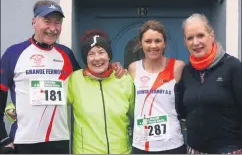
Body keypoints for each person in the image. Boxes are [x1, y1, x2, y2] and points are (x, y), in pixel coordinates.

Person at [0, 0, 125, 154]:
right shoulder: (13, 53)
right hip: (24, 141)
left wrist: (111, 67)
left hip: (59, 141)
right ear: (34, 22)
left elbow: (88, 80)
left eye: (57, 23)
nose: (53, 28)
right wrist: (3, 139)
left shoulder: (66, 54)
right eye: (47, 21)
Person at [175, 13, 242, 154]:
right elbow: (181, 110)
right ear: (185, 42)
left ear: (211, 35)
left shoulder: (233, 66)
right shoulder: (186, 71)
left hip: (228, 149)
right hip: (194, 149)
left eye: (200, 35)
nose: (195, 42)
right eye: (190, 38)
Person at [67, 30, 135, 154]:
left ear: (109, 55)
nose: (97, 58)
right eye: (91, 54)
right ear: (85, 59)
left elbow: (135, 115)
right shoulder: (74, 79)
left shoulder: (124, 79)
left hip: (122, 151)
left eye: (101, 52)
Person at [128, 20, 186, 154]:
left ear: (164, 43)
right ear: (140, 43)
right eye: (148, 41)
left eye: (158, 41)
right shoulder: (133, 68)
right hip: (141, 145)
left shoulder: (178, 67)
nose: (153, 46)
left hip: (172, 144)